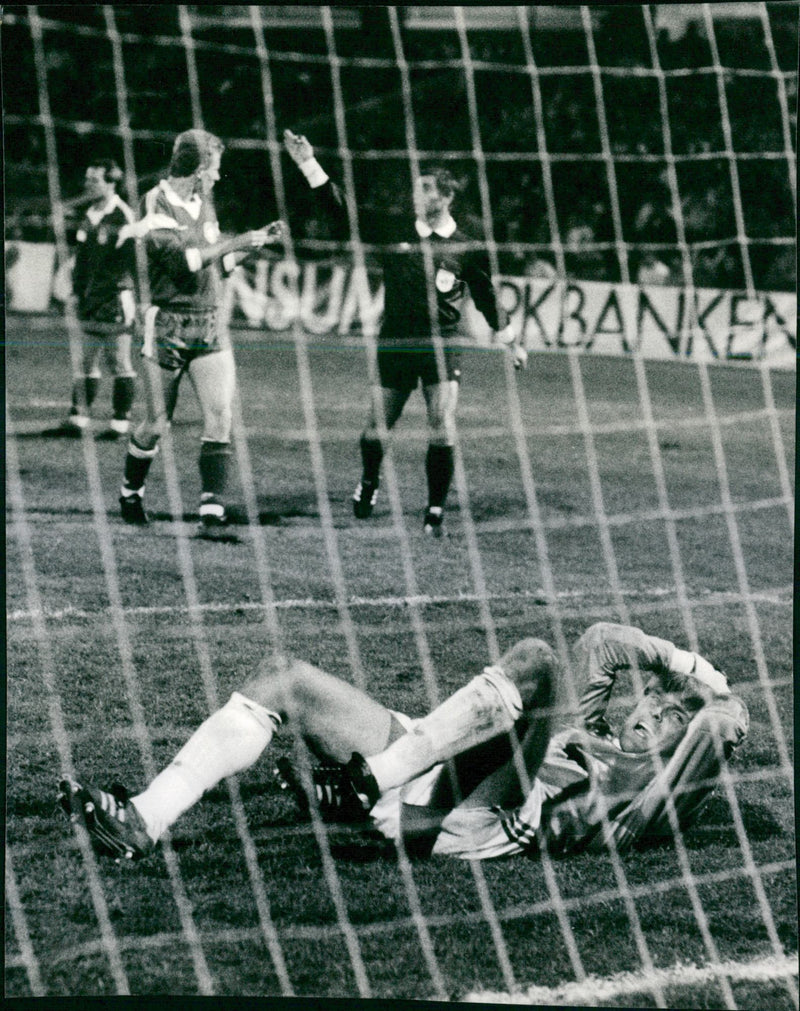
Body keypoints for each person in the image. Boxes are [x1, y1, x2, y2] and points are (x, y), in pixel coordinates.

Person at [59, 622, 747, 863]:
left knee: (536, 660)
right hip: (430, 775)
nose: (650, 709)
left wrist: (710, 697)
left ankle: (367, 781)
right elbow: (604, 641)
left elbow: (724, 722)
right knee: (284, 678)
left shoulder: (655, 792)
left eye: (667, 716)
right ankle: (144, 819)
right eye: (651, 697)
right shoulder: (591, 729)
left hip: (493, 820)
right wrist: (684, 665)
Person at [283, 129, 527, 537]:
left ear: (445, 198)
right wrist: (308, 163)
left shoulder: (465, 247)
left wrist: (511, 342)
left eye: (425, 190)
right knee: (378, 425)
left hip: (442, 343)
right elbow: (345, 212)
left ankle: (434, 511)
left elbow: (487, 296)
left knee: (442, 421)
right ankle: (369, 481)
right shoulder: (396, 229)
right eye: (415, 189)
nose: (416, 196)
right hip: (396, 339)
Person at [116, 129, 285, 536]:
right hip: (168, 323)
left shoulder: (202, 202)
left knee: (221, 414)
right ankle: (130, 492)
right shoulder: (154, 202)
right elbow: (182, 263)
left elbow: (216, 265)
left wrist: (253, 245)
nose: (218, 177)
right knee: (157, 422)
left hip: (209, 321)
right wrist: (234, 242)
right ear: (199, 168)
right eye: (216, 168)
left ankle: (212, 506)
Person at [54, 159, 138, 439]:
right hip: (89, 300)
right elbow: (82, 263)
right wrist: (76, 294)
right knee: (86, 360)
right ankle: (78, 419)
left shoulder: (123, 216)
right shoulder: (89, 215)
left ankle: (120, 425)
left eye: (94, 180)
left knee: (119, 361)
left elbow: (133, 263)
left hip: (114, 298)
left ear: (111, 182)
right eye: (87, 179)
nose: (88, 185)